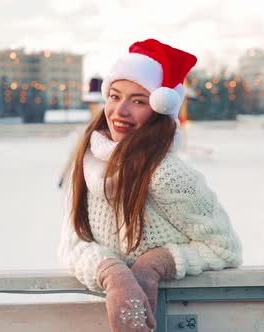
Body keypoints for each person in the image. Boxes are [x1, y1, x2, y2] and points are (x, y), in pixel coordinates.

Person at [58, 39, 243, 332]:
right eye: (115, 96)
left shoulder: (167, 173)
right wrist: (113, 274)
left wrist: (154, 265)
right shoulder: (88, 161)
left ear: (158, 110)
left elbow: (224, 248)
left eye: (139, 101)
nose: (120, 111)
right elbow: (73, 243)